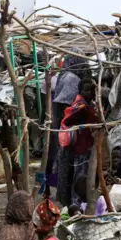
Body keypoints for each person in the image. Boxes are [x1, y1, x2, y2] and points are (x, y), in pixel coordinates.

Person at [47, 52, 90, 190]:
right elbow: (67, 106)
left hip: (57, 124)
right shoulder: (72, 79)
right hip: (64, 127)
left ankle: (47, 188)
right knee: (62, 161)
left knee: (52, 157)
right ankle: (57, 191)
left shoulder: (64, 74)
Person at [57, 79, 99, 207]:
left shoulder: (88, 105)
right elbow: (69, 121)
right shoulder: (81, 107)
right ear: (80, 91)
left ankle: (74, 203)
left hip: (83, 148)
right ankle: (76, 205)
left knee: (78, 177)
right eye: (87, 90)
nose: (91, 93)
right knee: (79, 178)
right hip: (80, 149)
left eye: (93, 90)